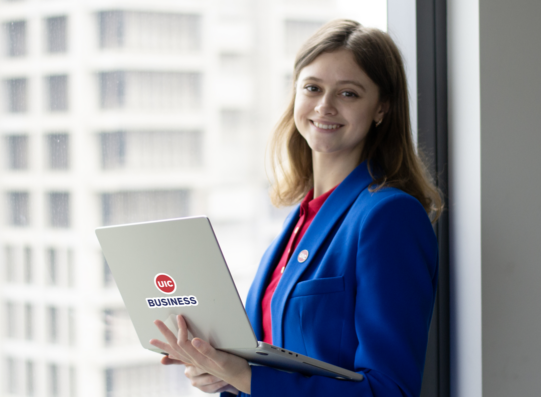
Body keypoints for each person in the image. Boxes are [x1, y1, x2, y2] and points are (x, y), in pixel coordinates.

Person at [149, 19, 442, 397]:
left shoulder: (389, 217)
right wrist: (223, 375)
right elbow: (271, 364)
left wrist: (245, 377)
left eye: (349, 93)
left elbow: (389, 391)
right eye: (312, 88)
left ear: (382, 108)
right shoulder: (299, 220)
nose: (324, 106)